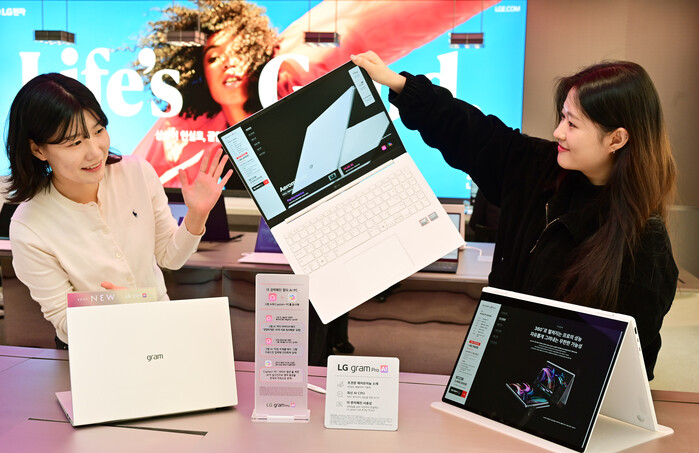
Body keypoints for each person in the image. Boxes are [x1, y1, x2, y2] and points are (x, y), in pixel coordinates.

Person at [351, 51, 678, 380]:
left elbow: (624, 364)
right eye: (562, 118)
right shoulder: (538, 167)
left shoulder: (645, 243)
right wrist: (401, 85)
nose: (558, 132)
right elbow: (471, 131)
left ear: (616, 139)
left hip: (556, 394)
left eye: (572, 124)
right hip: (497, 366)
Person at [133, 0, 499, 187]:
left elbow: (384, 15)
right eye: (213, 57)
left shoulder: (297, 68)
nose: (227, 63)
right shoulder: (179, 135)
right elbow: (134, 177)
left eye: (238, 50)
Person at [3, 73, 232, 349]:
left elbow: (170, 257)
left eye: (98, 131)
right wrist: (118, 310)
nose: (94, 152)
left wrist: (196, 215)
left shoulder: (137, 172)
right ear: (38, 150)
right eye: (74, 143)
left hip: (159, 329)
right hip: (94, 348)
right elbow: (63, 318)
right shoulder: (29, 225)